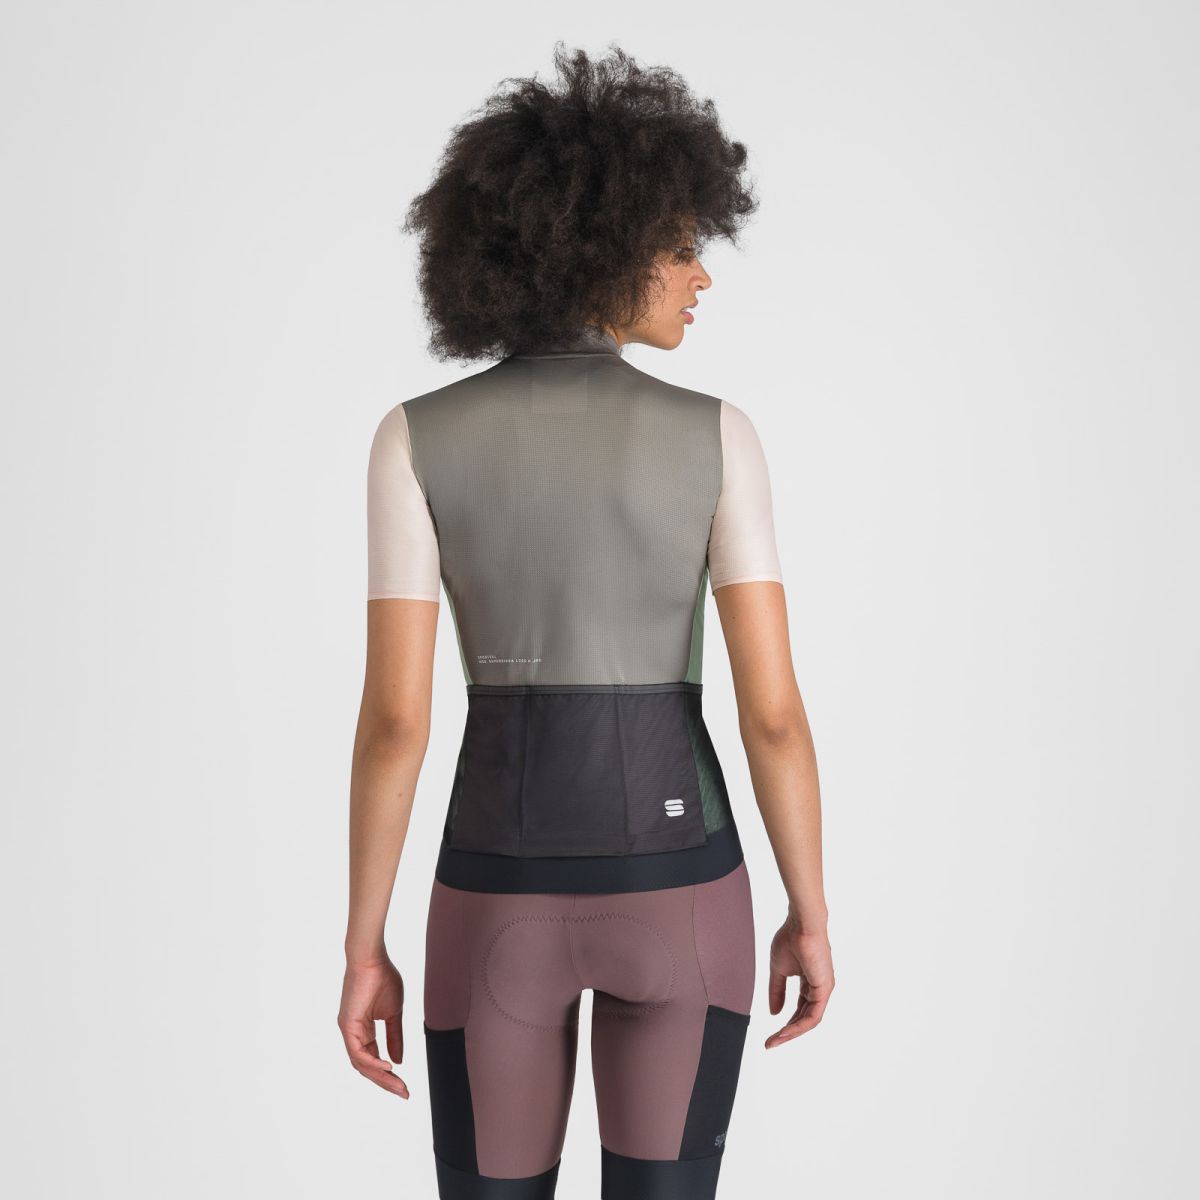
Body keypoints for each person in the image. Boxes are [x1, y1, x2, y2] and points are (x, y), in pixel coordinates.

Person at [339, 43, 834, 1200]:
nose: (701, 276)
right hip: (684, 892)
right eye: (681, 245)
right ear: (604, 249)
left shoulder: (413, 438)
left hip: (493, 899)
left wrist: (364, 945)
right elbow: (771, 715)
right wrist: (809, 914)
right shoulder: (720, 437)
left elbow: (397, 723)